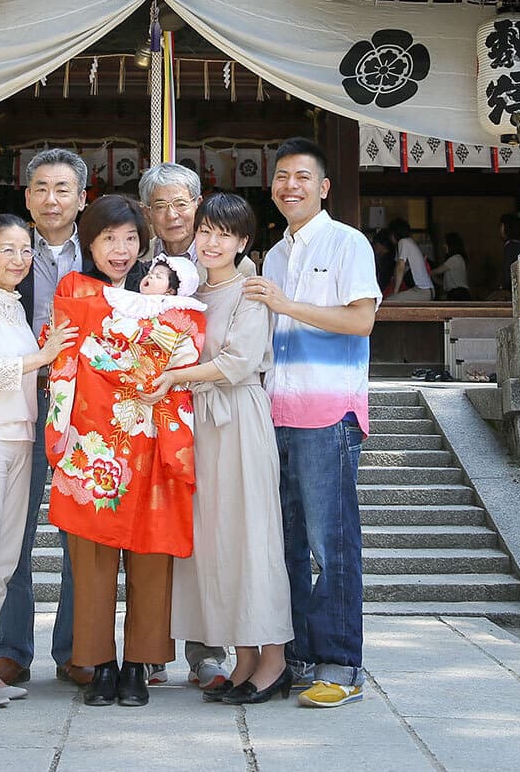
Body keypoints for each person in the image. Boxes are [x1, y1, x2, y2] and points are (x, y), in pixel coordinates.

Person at [45, 197, 202, 708]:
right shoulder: (75, 288)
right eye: (109, 238)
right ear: (89, 243)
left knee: (152, 551)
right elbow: (65, 359)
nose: (120, 249)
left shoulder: (157, 291)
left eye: (131, 238)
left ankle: (140, 662)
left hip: (152, 438)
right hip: (94, 444)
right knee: (91, 557)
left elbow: (183, 353)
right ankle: (99, 663)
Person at [0, 147, 88, 686]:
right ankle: (10, 651)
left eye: (63, 188)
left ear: (81, 197)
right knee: (11, 536)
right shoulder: (9, 259)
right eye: (41, 188)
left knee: (80, 532)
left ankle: (76, 649)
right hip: (16, 405)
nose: (52, 199)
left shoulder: (101, 253)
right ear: (27, 197)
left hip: (84, 405)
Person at [245, 137, 380, 710]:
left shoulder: (347, 243)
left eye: (302, 177)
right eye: (281, 177)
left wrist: (285, 305)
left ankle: (341, 663)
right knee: (288, 546)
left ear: (323, 187)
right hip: (277, 410)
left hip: (328, 412)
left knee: (332, 542)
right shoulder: (275, 254)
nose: (290, 186)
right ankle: (297, 658)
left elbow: (361, 321)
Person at [156, 192, 294, 705]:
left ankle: (274, 658)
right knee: (217, 541)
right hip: (201, 424)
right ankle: (245, 656)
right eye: (206, 231)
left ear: (243, 242)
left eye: (224, 234)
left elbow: (238, 362)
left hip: (238, 417)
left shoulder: (250, 291)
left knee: (253, 537)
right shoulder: (191, 291)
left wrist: (175, 377)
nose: (212, 242)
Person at [139, 160, 243, 691]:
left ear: (198, 205)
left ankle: (207, 649)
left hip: (208, 412)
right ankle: (150, 649)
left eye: (182, 203)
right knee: (153, 531)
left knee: (206, 532)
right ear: (147, 213)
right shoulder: (134, 262)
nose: (172, 214)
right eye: (160, 205)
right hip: (148, 414)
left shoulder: (224, 262)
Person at [385, 217, 433, 301]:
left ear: (393, 234)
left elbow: (400, 267)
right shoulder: (409, 242)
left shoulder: (403, 242)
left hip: (422, 290)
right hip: (426, 290)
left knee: (389, 302)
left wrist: (395, 292)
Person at [432, 233, 471, 300]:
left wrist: (426, 271)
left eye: (445, 243)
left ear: (451, 245)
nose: (443, 246)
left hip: (458, 295)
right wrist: (433, 276)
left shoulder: (455, 258)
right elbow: (445, 283)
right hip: (458, 294)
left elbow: (437, 271)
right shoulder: (457, 258)